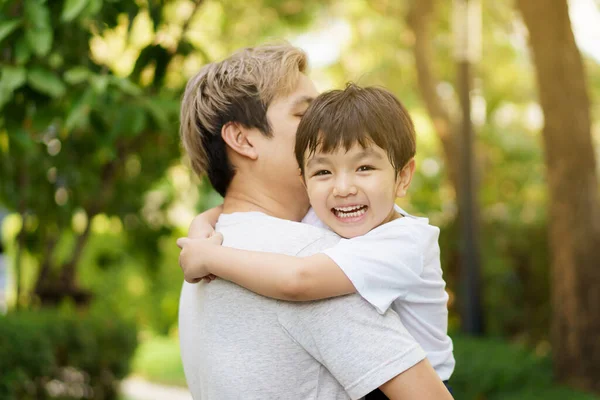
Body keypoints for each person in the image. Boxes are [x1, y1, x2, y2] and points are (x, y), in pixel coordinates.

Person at [177, 43, 453, 399]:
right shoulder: (311, 253)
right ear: (242, 139)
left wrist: (202, 232)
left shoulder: (209, 255)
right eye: (304, 115)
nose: (325, 125)